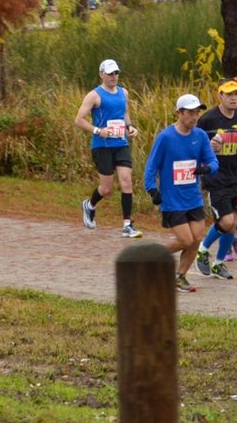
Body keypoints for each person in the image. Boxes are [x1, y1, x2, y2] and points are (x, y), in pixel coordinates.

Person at [143, 94, 220, 291]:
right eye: (190, 113)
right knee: (186, 240)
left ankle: (179, 277)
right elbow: (151, 167)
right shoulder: (166, 137)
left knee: (196, 239)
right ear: (179, 113)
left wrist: (207, 168)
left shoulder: (201, 136)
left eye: (197, 113)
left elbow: (213, 161)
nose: (194, 117)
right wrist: (152, 190)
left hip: (193, 198)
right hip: (172, 200)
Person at [195, 79, 237, 280]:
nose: (233, 98)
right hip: (216, 178)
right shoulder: (208, 119)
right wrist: (208, 149)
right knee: (226, 221)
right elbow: (194, 146)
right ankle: (203, 250)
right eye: (229, 94)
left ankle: (218, 264)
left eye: (236, 94)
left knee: (234, 223)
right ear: (220, 96)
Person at [76, 59, 140, 238]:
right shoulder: (94, 95)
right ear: (101, 74)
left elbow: (125, 113)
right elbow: (79, 120)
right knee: (106, 189)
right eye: (110, 73)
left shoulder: (123, 93)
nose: (114, 77)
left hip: (121, 143)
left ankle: (128, 225)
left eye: (116, 73)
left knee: (127, 182)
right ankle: (89, 205)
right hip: (102, 146)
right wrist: (98, 130)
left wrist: (130, 127)